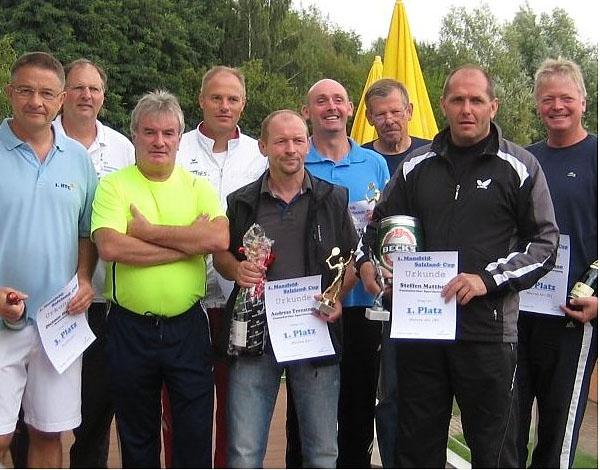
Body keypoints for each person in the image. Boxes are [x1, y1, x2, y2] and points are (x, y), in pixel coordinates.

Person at [356, 64, 559, 468]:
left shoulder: (519, 166)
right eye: (458, 100)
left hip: (487, 331)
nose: (467, 109)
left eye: (476, 100)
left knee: (494, 451)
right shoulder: (416, 165)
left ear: (493, 106)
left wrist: (487, 280)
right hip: (421, 329)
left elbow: (544, 244)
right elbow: (375, 230)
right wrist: (372, 267)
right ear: (443, 105)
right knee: (416, 451)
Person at [91, 90, 229, 468]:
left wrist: (147, 232)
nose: (159, 141)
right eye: (150, 132)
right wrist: (187, 245)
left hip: (188, 326)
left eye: (168, 133)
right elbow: (111, 247)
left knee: (194, 433)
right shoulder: (114, 186)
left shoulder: (198, 187)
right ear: (134, 134)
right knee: (138, 435)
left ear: (180, 138)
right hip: (130, 327)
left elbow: (218, 239)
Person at [213, 110, 358, 468]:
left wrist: (336, 297)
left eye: (297, 140)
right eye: (280, 141)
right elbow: (221, 256)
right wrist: (237, 269)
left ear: (308, 145)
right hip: (255, 333)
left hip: (313, 328)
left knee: (322, 451)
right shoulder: (241, 201)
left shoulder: (333, 198)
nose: (290, 149)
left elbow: (352, 260)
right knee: (244, 451)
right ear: (263, 146)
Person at [0, 51, 98, 468]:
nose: (35, 102)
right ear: (9, 92)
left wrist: (84, 278)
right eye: (25, 90)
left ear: (61, 100)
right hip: (1, 320)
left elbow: (86, 232)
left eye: (46, 93)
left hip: (60, 320)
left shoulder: (78, 159)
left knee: (48, 432)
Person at [289, 78, 389, 469]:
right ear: (306, 111)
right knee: (304, 411)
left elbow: (384, 228)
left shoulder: (374, 163)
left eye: (338, 100)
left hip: (362, 302)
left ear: (350, 109)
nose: (331, 106)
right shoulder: (297, 158)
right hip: (311, 303)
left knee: (358, 407)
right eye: (321, 101)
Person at [174, 65, 266, 468]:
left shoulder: (259, 155)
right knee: (184, 409)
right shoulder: (176, 148)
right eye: (216, 97)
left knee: (236, 409)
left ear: (243, 103)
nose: (224, 106)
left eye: (232, 99)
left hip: (240, 300)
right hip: (184, 296)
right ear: (201, 100)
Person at [515, 58, 598, 468]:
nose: (557, 106)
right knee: (505, 427)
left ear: (583, 101)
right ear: (537, 105)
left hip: (572, 317)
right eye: (548, 99)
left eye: (566, 97)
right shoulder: (523, 160)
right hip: (518, 312)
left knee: (556, 436)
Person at [56, 58, 135, 469]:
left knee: (96, 408)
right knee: (35, 412)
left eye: (94, 88)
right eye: (78, 87)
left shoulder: (123, 148)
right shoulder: (41, 139)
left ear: (104, 95)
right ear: (62, 93)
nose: (86, 95)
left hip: (103, 298)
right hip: (47, 297)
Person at [362, 77, 431, 468]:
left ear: (409, 112)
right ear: (370, 118)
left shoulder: (432, 155)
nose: (389, 120)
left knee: (422, 390)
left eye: (395, 111)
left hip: (424, 293)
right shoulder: (361, 159)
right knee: (384, 393)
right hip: (367, 290)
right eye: (380, 114)